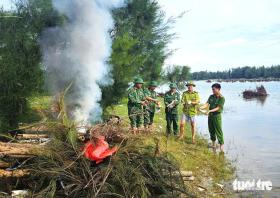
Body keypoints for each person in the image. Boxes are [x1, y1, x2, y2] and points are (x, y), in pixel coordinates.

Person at [200, 83, 225, 152]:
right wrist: (201, 107)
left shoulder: (222, 98)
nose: (213, 90)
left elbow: (218, 108)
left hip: (217, 116)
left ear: (218, 89)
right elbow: (207, 104)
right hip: (210, 116)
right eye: (212, 89)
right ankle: (213, 144)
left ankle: (221, 148)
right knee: (211, 130)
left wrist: (209, 110)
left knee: (219, 131)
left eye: (214, 89)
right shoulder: (211, 96)